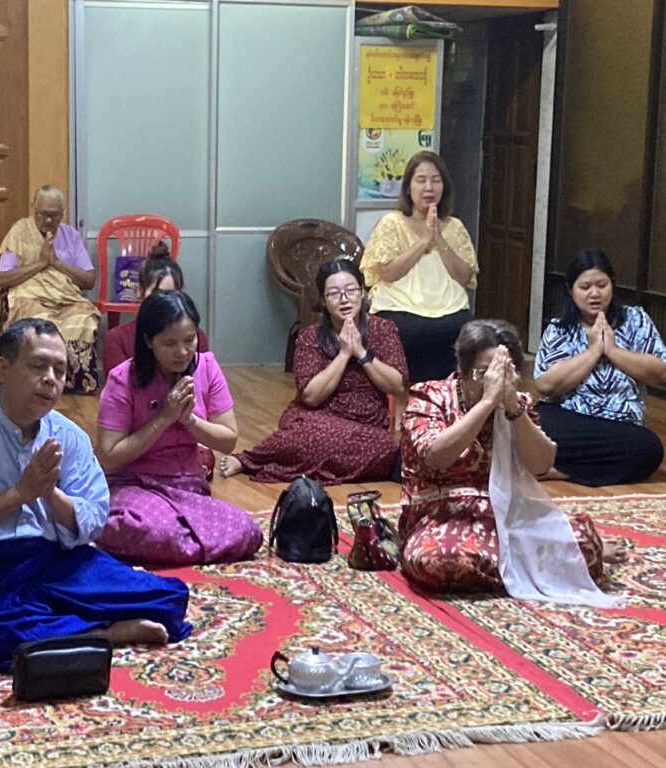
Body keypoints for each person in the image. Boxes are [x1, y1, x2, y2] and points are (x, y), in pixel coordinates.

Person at [0, 318, 192, 674]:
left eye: (59, 371)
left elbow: (94, 518)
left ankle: (49, 623)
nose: (50, 379)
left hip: (59, 561)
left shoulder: (68, 436)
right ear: (3, 369)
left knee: (169, 598)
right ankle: (102, 633)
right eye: (38, 366)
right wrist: (19, 494)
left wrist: (50, 495)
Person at [399, 319, 625, 593]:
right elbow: (436, 456)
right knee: (437, 560)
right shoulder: (429, 397)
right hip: (441, 516)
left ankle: (513, 565)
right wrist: (487, 403)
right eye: (485, 373)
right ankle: (531, 566)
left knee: (584, 544)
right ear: (462, 368)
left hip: (505, 515)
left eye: (503, 372)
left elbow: (541, 465)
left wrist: (512, 406)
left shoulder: (517, 403)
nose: (494, 381)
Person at [95, 290, 262, 565]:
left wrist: (188, 420)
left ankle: (177, 541)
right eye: (169, 343)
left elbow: (228, 440)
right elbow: (110, 457)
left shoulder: (207, 367)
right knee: (150, 528)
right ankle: (192, 541)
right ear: (148, 341)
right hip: (133, 483)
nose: (183, 352)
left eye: (189, 340)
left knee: (248, 531)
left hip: (188, 487)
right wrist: (164, 418)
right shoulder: (123, 378)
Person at [220, 257, 407, 484]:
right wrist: (344, 354)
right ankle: (250, 459)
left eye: (351, 291)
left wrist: (361, 352)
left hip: (366, 428)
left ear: (362, 292)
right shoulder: (309, 337)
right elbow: (310, 396)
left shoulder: (383, 329)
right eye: (334, 294)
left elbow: (397, 385)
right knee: (312, 434)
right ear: (323, 301)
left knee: (384, 446)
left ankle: (301, 464)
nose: (344, 299)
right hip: (316, 419)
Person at [533, 249, 666, 486]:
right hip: (569, 418)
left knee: (649, 449)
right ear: (570, 290)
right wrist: (593, 352)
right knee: (533, 425)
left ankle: (558, 470)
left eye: (602, 285)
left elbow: (662, 372)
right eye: (585, 287)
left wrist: (613, 351)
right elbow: (546, 384)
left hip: (620, 424)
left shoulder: (636, 320)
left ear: (613, 285)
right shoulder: (560, 328)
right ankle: (587, 466)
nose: (595, 293)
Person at [361, 151, 479, 383]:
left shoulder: (455, 227)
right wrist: (424, 240)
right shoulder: (392, 223)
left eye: (436, 180)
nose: (429, 188)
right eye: (421, 180)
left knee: (465, 329)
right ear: (408, 188)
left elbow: (464, 277)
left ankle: (451, 396)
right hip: (399, 306)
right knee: (405, 331)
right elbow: (388, 273)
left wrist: (439, 239)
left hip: (448, 306)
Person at [0, 185, 101, 394]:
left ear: (63, 213)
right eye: (43, 214)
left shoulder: (70, 235)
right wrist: (41, 263)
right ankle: (35, 380)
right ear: (33, 208)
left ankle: (75, 383)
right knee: (40, 325)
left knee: (84, 321)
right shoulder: (19, 232)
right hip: (30, 298)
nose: (49, 220)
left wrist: (57, 263)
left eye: (55, 215)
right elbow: (3, 278)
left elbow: (88, 280)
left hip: (67, 299)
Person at [101, 241, 209, 380]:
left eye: (174, 293)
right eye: (157, 293)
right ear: (140, 291)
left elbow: (205, 380)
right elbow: (118, 387)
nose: (165, 302)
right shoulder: (117, 339)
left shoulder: (195, 336)